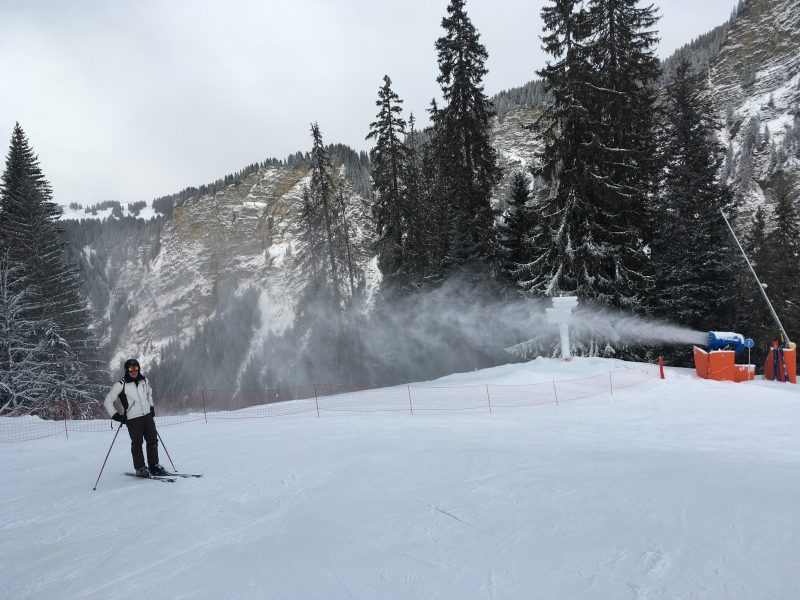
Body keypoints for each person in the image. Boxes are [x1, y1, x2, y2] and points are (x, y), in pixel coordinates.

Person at [103, 358, 169, 477]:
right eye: (131, 368)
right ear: (126, 370)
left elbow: (149, 394)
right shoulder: (120, 384)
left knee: (153, 441)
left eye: (136, 368)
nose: (134, 371)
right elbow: (108, 401)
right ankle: (140, 468)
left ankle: (154, 466)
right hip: (133, 419)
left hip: (147, 415)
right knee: (137, 443)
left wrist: (151, 407)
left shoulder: (144, 380)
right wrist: (116, 416)